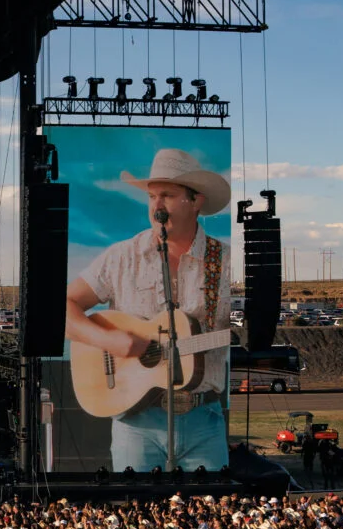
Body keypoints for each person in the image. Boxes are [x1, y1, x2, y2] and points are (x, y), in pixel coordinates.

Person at [62, 146, 233, 472]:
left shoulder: (223, 262)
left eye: (167, 195)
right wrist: (114, 342)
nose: (156, 204)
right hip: (135, 422)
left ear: (195, 201)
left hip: (204, 419)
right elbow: (62, 310)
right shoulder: (121, 257)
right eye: (152, 196)